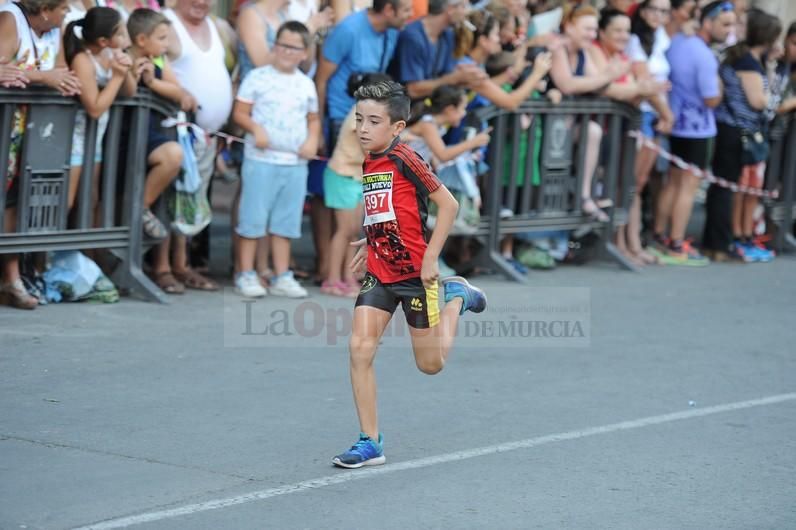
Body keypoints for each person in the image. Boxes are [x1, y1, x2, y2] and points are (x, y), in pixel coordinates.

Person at [332, 80, 486, 469]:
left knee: (430, 365)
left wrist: (432, 258)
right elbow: (388, 208)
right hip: (382, 273)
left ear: (397, 127)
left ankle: (456, 298)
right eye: (359, 119)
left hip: (416, 274)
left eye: (373, 121)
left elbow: (446, 205)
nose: (363, 129)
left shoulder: (407, 158)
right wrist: (371, 242)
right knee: (359, 348)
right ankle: (370, 441)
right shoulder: (370, 159)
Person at [315, 0, 412, 285]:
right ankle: (329, 271)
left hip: (370, 122)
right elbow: (322, 78)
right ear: (388, 10)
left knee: (352, 225)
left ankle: (342, 274)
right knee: (333, 211)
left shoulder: (391, 33)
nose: (411, 16)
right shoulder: (349, 29)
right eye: (405, 10)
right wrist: (320, 125)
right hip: (341, 114)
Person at [0, 0, 80, 310]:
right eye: (63, 8)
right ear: (45, 9)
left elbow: (59, 71)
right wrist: (42, 78)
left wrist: (51, 77)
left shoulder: (53, 30)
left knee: (15, 202)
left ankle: (11, 276)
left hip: (33, 131)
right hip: (8, 126)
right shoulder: (10, 19)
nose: (68, 14)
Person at [232, 21, 320, 298]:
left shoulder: (306, 84)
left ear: (304, 52)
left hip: (294, 164)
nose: (286, 51)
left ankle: (282, 274)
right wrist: (256, 129)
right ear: (274, 45)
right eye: (282, 44)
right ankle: (246, 273)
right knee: (253, 218)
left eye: (294, 47)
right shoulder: (257, 77)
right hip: (261, 159)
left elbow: (313, 119)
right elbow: (240, 113)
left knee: (286, 222)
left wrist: (311, 141)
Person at [649, 0, 735, 265]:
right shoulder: (703, 54)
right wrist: (720, 86)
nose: (729, 31)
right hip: (698, 130)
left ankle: (660, 236)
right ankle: (676, 243)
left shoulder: (678, 42)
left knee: (672, 184)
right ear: (707, 23)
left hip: (677, 126)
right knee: (687, 187)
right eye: (725, 24)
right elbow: (711, 99)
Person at [162, 0, 233, 292]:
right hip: (175, 130)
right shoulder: (165, 23)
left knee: (190, 200)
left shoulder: (217, 26)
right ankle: (162, 267)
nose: (202, 2)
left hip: (207, 135)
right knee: (169, 200)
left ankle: (182, 264)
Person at [703, 9, 781, 262]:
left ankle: (718, 242)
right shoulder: (746, 62)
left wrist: (770, 67)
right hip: (734, 131)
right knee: (725, 189)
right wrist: (778, 100)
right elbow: (759, 101)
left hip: (734, 130)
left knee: (726, 188)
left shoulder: (751, 60)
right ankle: (719, 244)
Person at [549, 3, 630, 222]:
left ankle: (585, 194)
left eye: (594, 30)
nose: (592, 35)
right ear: (569, 26)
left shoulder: (582, 52)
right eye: (587, 29)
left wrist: (608, 76)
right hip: (545, 128)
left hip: (565, 127)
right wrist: (608, 75)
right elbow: (567, 83)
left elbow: (599, 86)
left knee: (593, 131)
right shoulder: (558, 47)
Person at [322, 73, 392, 299]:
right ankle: (332, 280)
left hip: (355, 177)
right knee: (344, 232)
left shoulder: (367, 114)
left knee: (353, 232)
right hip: (343, 175)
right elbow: (369, 149)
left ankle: (348, 277)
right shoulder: (359, 114)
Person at [64, 7, 136, 214]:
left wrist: (127, 70)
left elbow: (130, 92)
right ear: (103, 41)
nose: (125, 39)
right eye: (121, 34)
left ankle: (80, 245)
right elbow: (94, 108)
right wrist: (117, 77)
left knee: (90, 197)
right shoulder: (82, 60)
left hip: (95, 137)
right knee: (68, 200)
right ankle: (51, 245)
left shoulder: (109, 54)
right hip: (75, 138)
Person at [625, 0, 675, 264]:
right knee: (631, 182)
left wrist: (664, 112)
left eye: (664, 11)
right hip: (642, 114)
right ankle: (624, 243)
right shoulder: (634, 39)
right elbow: (645, 81)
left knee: (640, 183)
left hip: (655, 115)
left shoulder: (661, 37)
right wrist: (667, 113)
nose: (659, 15)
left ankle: (633, 243)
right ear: (643, 11)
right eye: (654, 9)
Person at [388, 0, 484, 100]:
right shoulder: (413, 38)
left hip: (429, 100)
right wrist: (452, 79)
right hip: (405, 104)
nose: (467, 12)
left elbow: (448, 71)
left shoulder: (447, 34)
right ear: (450, 9)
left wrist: (465, 73)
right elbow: (413, 90)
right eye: (463, 6)